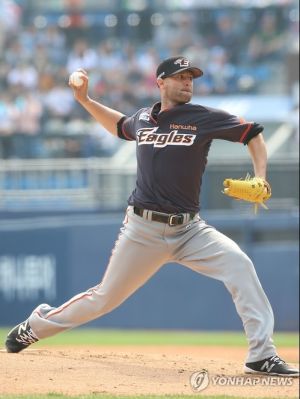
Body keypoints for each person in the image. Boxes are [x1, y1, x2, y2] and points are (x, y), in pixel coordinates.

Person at [5, 56, 299, 377]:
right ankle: (36, 325)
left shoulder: (203, 117)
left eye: (191, 77)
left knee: (240, 265)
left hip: (190, 231)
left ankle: (261, 355)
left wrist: (261, 175)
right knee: (104, 298)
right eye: (180, 77)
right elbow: (120, 126)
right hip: (143, 229)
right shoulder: (144, 118)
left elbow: (253, 133)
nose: (188, 82)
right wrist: (85, 100)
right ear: (161, 82)